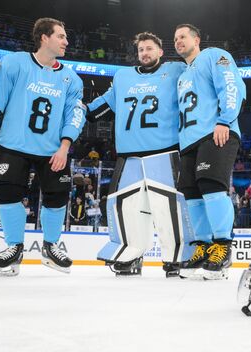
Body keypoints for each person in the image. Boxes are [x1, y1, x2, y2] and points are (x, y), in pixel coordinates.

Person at [0, 17, 85, 276]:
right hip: (13, 145)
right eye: (60, 36)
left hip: (52, 150)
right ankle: (14, 248)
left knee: (57, 197)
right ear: (44, 38)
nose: (66, 41)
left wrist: (64, 147)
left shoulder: (71, 79)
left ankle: (51, 247)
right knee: (7, 193)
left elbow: (75, 115)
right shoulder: (13, 63)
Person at [86, 32, 192, 277]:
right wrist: (80, 109)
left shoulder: (176, 70)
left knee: (170, 205)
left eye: (149, 49)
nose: (145, 53)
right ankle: (131, 253)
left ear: (161, 51)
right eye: (141, 50)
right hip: (128, 156)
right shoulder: (123, 77)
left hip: (165, 152)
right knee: (125, 206)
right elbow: (103, 106)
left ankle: (176, 256)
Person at [174, 24, 246, 280]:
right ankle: (204, 247)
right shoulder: (183, 75)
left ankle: (223, 246)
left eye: (182, 36)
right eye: (175, 39)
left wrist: (225, 120)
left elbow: (231, 84)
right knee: (192, 194)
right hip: (189, 141)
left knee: (211, 186)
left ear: (197, 38)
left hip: (215, 131)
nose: (178, 41)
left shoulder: (214, 55)